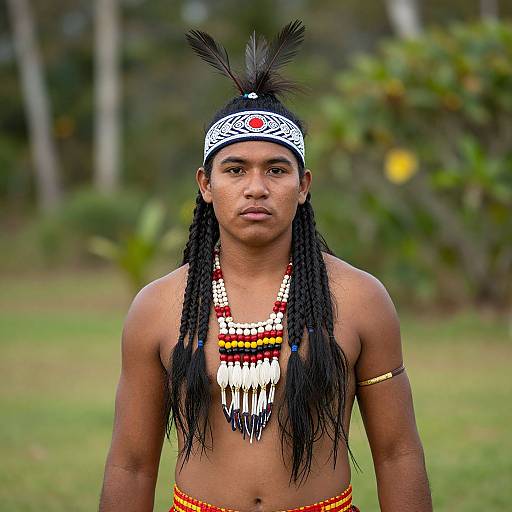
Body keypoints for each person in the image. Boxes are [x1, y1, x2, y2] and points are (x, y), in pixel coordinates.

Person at [99, 20, 432, 512]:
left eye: (276, 170)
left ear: (303, 186)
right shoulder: (158, 307)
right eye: (235, 170)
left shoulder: (361, 299)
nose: (256, 187)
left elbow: (397, 453)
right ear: (206, 185)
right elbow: (131, 463)